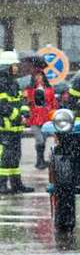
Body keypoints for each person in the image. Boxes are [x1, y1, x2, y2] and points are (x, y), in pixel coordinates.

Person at [0, 52, 32, 195]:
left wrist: (25, 113)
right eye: (14, 65)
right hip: (5, 127)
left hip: (15, 127)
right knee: (5, 157)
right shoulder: (1, 83)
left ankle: (16, 184)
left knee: (15, 156)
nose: (16, 68)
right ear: (6, 67)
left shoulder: (14, 82)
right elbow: (2, 106)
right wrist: (17, 116)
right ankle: (2, 185)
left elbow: (21, 101)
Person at [23, 62, 57, 169]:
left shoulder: (49, 89)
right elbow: (27, 102)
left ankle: (41, 160)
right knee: (40, 140)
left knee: (44, 140)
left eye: (40, 75)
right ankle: (39, 161)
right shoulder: (30, 89)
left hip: (46, 118)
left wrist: (53, 114)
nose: (38, 77)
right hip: (34, 118)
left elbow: (53, 103)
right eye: (36, 75)